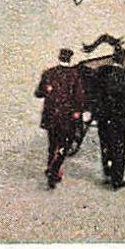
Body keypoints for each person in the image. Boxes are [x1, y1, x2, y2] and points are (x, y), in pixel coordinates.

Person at [35, 48, 86, 189]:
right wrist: (78, 111)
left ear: (59, 58)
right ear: (70, 60)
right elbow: (79, 97)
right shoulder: (75, 76)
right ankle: (54, 169)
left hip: (51, 115)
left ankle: (50, 166)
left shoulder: (49, 73)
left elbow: (38, 93)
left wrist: (48, 90)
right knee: (64, 145)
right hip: (66, 117)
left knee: (52, 143)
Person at [96, 44, 125, 189]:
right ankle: (117, 180)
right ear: (123, 61)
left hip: (103, 117)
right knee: (118, 149)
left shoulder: (102, 74)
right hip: (119, 119)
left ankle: (107, 172)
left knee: (105, 145)